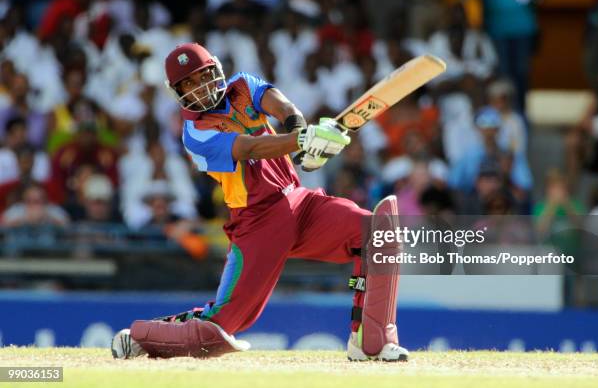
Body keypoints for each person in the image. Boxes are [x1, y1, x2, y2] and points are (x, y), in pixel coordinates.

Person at [111, 42, 408, 361]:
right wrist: (301, 141)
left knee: (379, 235)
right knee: (216, 330)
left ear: (216, 70)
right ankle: (141, 337)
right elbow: (249, 148)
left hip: (299, 203)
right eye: (189, 84)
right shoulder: (195, 133)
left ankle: (372, 341)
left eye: (203, 76)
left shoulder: (241, 85)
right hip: (257, 223)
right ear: (177, 91)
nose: (200, 88)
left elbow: (285, 109)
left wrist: (303, 142)